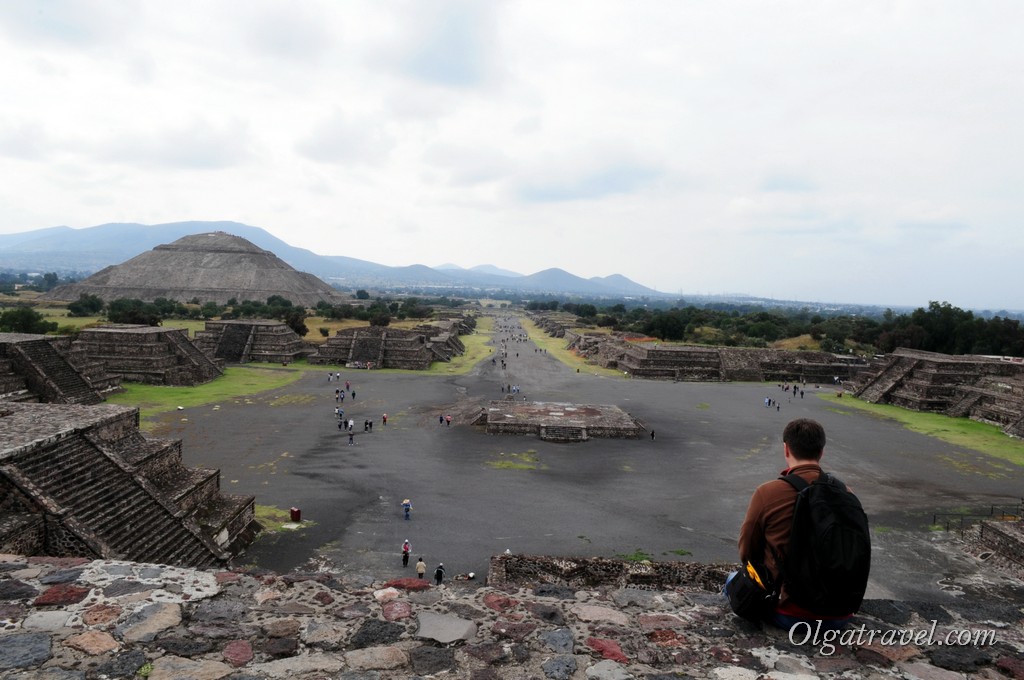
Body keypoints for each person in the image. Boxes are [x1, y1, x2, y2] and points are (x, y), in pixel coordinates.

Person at [729, 418, 858, 630]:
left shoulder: (768, 492)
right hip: (840, 614)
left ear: (786, 449)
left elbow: (746, 552)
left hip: (790, 613)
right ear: (821, 452)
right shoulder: (846, 494)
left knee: (733, 581)